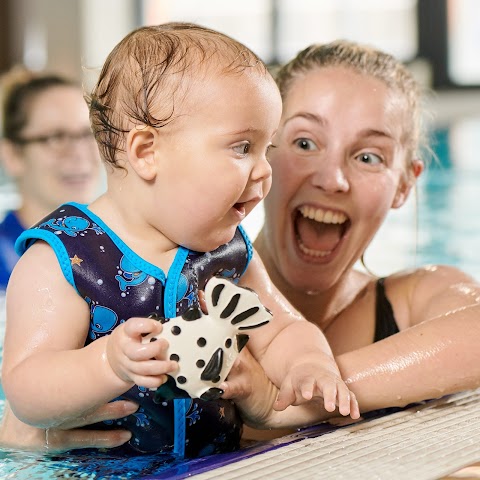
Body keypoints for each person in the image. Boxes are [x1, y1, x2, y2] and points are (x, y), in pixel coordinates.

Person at [0, 24, 358, 458]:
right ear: (147, 152)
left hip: (222, 463)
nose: (265, 171)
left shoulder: (228, 251)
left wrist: (308, 365)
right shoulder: (64, 258)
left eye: (268, 149)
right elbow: (25, 386)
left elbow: (280, 330)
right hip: (101, 470)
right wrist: (106, 364)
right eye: (243, 147)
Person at [222, 39, 480, 436]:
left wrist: (291, 401)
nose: (332, 180)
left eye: (368, 157)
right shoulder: (186, 292)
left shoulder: (413, 301)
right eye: (304, 143)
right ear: (260, 153)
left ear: (404, 186)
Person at [0, 67, 102, 290]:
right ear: (12, 155)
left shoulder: (124, 251)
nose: (78, 152)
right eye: (55, 137)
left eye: (87, 134)